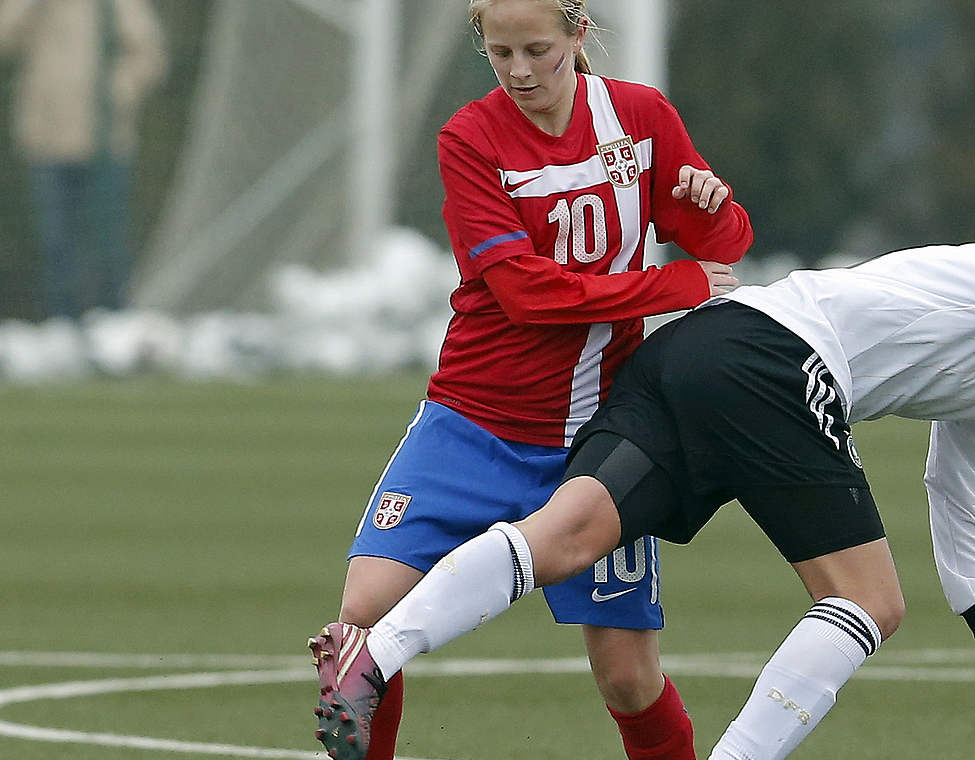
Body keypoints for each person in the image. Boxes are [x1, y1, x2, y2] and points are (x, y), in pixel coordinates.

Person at [308, 237, 975, 759]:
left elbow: (952, 484)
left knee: (563, 536)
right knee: (867, 602)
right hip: (775, 363)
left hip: (695, 359)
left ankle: (376, 654)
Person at [307, 1, 753, 759]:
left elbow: (723, 245)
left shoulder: (640, 117)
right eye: (499, 52)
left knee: (627, 678)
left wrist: (710, 205)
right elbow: (527, 294)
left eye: (537, 49)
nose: (519, 71)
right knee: (361, 627)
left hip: (602, 441)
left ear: (579, 34)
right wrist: (670, 288)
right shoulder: (470, 137)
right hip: (470, 424)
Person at [0, 0, 166, 319]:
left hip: (104, 142)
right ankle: (64, 322)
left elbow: (149, 52)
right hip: (46, 138)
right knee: (55, 242)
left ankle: (114, 321)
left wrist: (120, 89)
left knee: (107, 241)